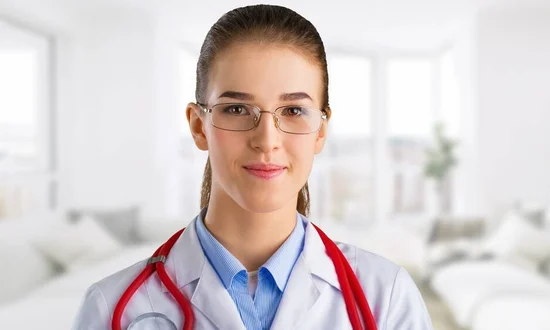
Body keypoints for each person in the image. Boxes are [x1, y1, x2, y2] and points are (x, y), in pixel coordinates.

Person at [72, 4, 433, 330]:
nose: (266, 139)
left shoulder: (386, 299)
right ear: (199, 126)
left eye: (293, 111)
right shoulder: (113, 309)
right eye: (236, 109)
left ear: (321, 130)